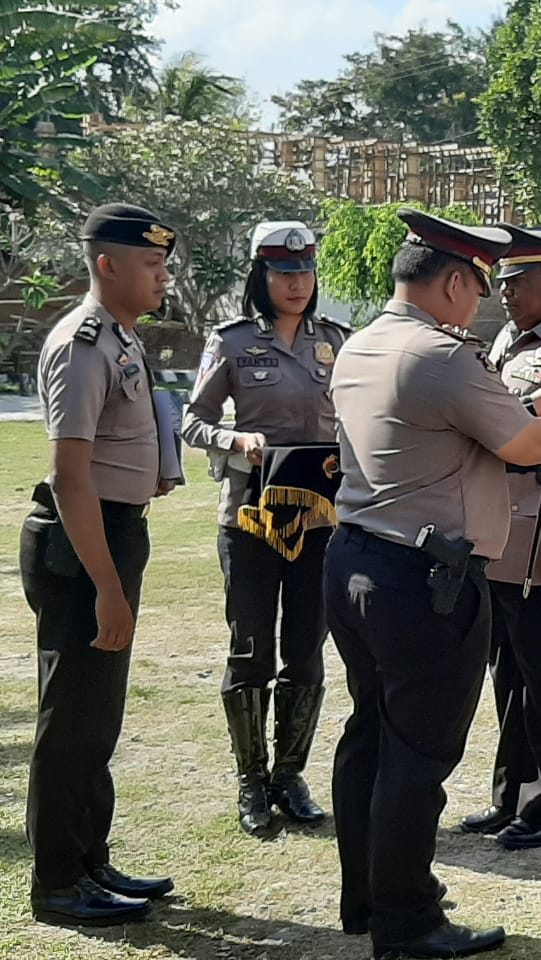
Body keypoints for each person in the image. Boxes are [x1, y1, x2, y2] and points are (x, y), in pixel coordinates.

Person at [324, 209, 541, 960]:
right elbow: (530, 444)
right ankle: (407, 922)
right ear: (450, 281)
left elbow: (444, 431)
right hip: (425, 579)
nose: (481, 301)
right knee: (418, 755)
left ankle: (367, 896)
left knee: (371, 736)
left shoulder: (362, 345)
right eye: (477, 286)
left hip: (355, 558)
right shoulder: (441, 357)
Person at [20, 203, 179, 926]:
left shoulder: (121, 339)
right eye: (152, 265)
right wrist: (107, 587)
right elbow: (71, 477)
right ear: (107, 264)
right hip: (86, 546)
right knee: (72, 718)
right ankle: (56, 883)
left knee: (98, 716)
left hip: (115, 532)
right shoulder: (82, 343)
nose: (164, 277)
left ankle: (91, 859)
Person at [182, 221, 347, 837]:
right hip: (250, 516)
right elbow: (193, 422)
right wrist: (233, 438)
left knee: (306, 649)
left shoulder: (337, 342)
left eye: (305, 271)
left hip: (318, 520)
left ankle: (290, 774)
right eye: (284, 272)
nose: (297, 283)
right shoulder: (230, 342)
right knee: (251, 647)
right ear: (262, 276)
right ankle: (251, 779)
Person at [460, 225, 541, 850]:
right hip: (498, 534)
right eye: (503, 280)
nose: (506, 290)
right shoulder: (508, 340)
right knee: (507, 673)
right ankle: (508, 795)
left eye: (519, 279)